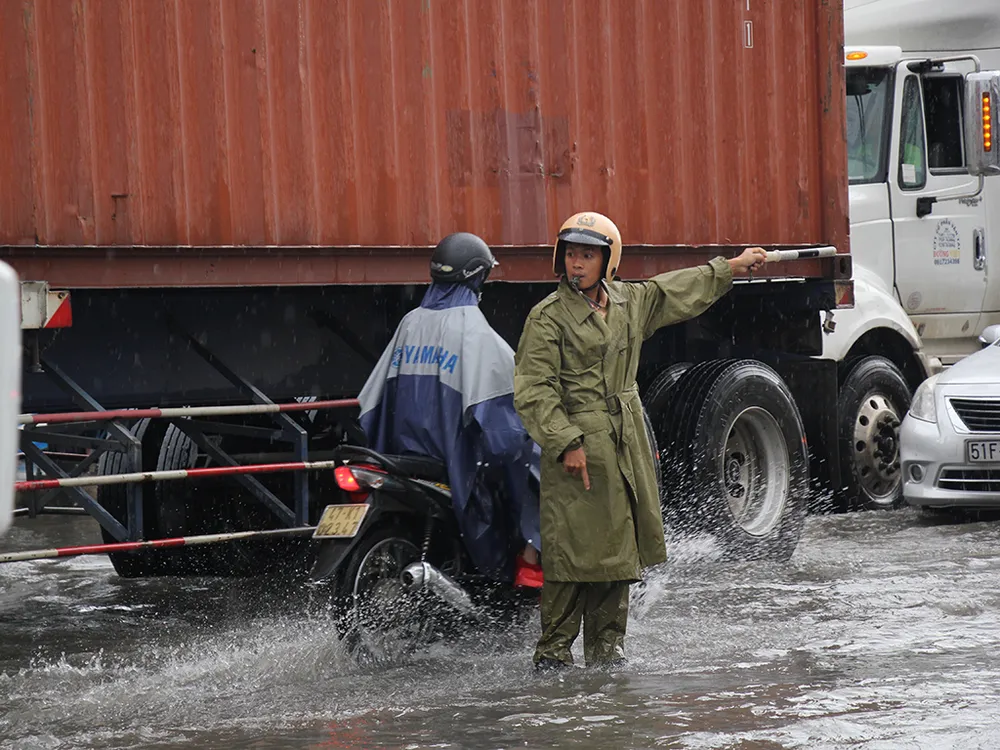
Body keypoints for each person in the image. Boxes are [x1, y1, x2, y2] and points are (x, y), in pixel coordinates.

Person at [512, 211, 766, 670]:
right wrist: (566, 441)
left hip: (625, 445)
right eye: (571, 254)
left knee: (618, 556)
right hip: (581, 449)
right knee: (572, 557)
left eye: (587, 255)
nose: (576, 264)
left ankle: (607, 663)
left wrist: (731, 266)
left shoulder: (628, 302)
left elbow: (675, 289)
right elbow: (534, 390)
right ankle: (551, 661)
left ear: (608, 261)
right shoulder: (547, 318)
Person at [358, 232, 543, 587]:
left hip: (406, 453)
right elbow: (504, 419)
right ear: (478, 277)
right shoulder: (473, 329)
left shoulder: (411, 321)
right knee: (536, 462)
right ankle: (530, 559)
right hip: (455, 458)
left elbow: (373, 401)